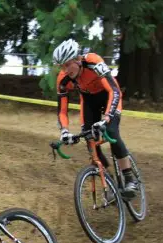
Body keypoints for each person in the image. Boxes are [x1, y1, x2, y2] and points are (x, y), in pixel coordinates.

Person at [53, 39, 138, 197]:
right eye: (61, 66)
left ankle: (129, 177)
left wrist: (106, 118)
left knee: (111, 132)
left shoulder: (93, 62)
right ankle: (109, 181)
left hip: (109, 95)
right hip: (89, 101)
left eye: (67, 65)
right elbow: (62, 111)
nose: (65, 70)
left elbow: (114, 90)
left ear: (78, 59)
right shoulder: (63, 79)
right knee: (90, 140)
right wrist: (64, 131)